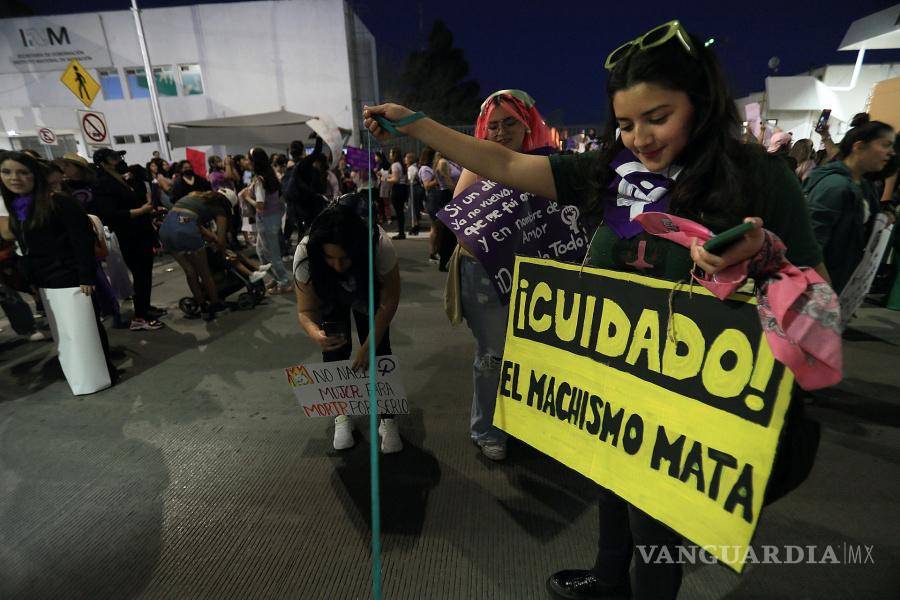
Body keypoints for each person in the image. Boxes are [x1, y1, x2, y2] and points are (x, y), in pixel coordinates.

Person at [364, 19, 827, 599]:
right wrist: (415, 123)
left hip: (696, 386)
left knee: (654, 516)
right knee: (610, 478)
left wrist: (761, 257)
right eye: (627, 123)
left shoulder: (759, 175)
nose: (641, 139)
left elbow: (817, 291)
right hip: (615, 373)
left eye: (659, 118)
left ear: (703, 104)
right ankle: (609, 578)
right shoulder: (611, 171)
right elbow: (505, 165)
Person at [292, 206, 403, 453]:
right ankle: (341, 414)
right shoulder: (305, 254)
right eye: (330, 258)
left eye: (344, 258)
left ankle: (388, 417)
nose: (338, 265)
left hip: (367, 286)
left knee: (379, 349)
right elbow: (305, 311)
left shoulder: (379, 245)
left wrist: (368, 345)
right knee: (333, 347)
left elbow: (389, 302)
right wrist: (314, 333)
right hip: (329, 291)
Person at [0, 151, 113, 394]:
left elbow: (81, 240)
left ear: (34, 175)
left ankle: (100, 375)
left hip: (68, 277)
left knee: (84, 329)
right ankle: (81, 377)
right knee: (66, 334)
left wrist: (85, 276)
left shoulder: (60, 201)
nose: (14, 178)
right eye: (7, 172)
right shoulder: (20, 206)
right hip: (44, 280)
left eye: (22, 172)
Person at [804, 115, 896, 294]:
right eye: (885, 145)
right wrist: (825, 292)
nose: (891, 152)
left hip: (839, 284)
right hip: (820, 288)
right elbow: (813, 245)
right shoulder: (835, 186)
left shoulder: (862, 184)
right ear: (859, 147)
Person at [91, 148, 164, 331]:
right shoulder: (103, 183)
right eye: (114, 157)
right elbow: (110, 214)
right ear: (104, 162)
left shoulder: (120, 178)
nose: (119, 160)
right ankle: (140, 317)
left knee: (145, 273)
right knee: (140, 274)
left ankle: (144, 308)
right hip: (130, 234)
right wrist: (140, 211)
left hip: (140, 230)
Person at [158, 191, 232, 317]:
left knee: (190, 271)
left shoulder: (194, 195)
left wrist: (211, 237)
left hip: (165, 230)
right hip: (186, 230)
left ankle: (202, 306)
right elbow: (221, 240)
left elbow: (196, 224)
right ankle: (215, 304)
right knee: (205, 272)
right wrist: (224, 250)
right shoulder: (220, 209)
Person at [242, 147, 292, 294]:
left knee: (271, 254)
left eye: (247, 159)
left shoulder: (260, 180)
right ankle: (276, 278)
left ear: (254, 162)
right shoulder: (271, 176)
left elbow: (260, 206)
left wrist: (246, 197)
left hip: (266, 221)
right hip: (273, 219)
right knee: (261, 251)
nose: (245, 162)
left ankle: (284, 282)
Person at [386, 148, 408, 239]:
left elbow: (396, 179)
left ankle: (401, 233)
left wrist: (386, 179)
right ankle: (401, 232)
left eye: (391, 152)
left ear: (394, 154)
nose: (390, 154)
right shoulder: (401, 164)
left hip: (397, 189)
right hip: (403, 188)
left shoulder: (395, 164)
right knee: (400, 212)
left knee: (399, 212)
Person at [405, 152, 422, 235]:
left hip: (413, 188)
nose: (405, 159)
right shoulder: (415, 167)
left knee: (413, 207)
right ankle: (415, 225)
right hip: (417, 188)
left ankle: (414, 226)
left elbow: (411, 179)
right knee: (415, 207)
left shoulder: (411, 168)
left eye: (406, 158)